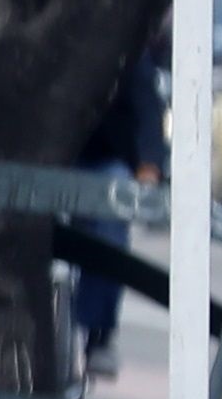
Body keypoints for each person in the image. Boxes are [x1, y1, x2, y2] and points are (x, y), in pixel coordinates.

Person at [73, 34, 170, 381]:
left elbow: (148, 107)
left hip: (102, 161)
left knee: (113, 212)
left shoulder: (124, 41)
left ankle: (98, 335)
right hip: (44, 158)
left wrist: (149, 169)